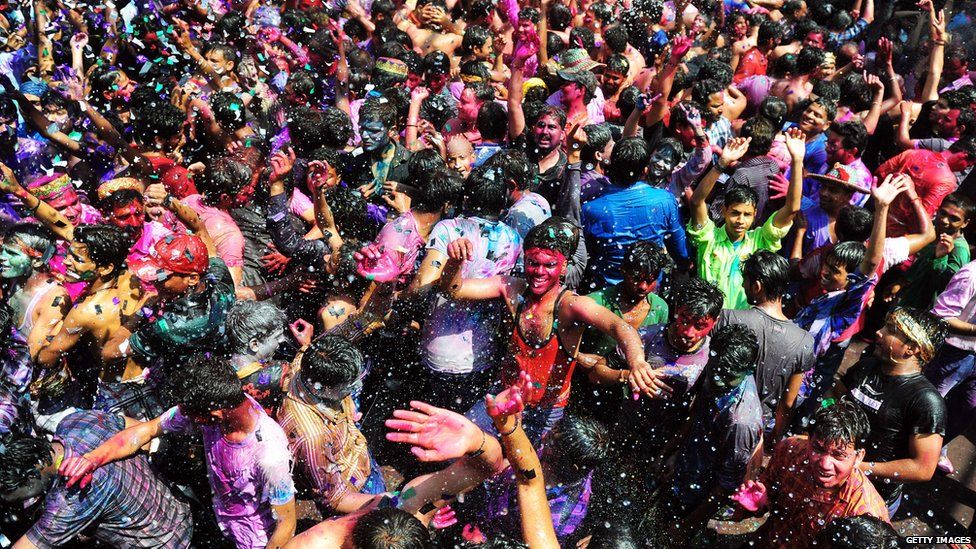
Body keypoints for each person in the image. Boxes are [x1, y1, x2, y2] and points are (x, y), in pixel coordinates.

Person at [445, 217, 661, 442]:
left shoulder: (571, 306)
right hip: (503, 395)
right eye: (533, 263)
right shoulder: (510, 288)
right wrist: (454, 262)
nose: (539, 272)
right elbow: (454, 290)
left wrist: (637, 362)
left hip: (544, 414)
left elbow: (620, 327)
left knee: (519, 473)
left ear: (564, 266)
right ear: (525, 259)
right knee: (459, 441)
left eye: (549, 265)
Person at [59, 355, 298, 549]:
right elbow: (148, 430)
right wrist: (93, 458)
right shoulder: (219, 402)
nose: (186, 418)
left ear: (215, 414)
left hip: (255, 540)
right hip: (220, 518)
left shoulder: (269, 454)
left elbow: (287, 523)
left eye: (192, 415)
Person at [0, 411, 193, 548]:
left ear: (31, 477)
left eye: (13, 496)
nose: (14, 502)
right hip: (179, 508)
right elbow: (139, 430)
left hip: (163, 542)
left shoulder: (69, 500)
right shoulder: (75, 422)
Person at [649, 323, 763, 544]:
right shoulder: (721, 368)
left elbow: (725, 486)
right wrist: (669, 453)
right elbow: (697, 415)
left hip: (699, 496)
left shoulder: (741, 421)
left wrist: (686, 525)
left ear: (749, 370)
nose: (718, 380)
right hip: (684, 470)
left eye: (728, 375)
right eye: (716, 369)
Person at [835, 307, 948, 516]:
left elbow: (923, 468)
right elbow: (833, 399)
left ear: (912, 348)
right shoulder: (866, 367)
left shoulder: (926, 401)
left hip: (869, 498)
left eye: (891, 329)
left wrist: (859, 467)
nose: (879, 332)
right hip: (831, 476)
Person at [732, 400, 890, 546]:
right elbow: (767, 493)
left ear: (858, 457)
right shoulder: (790, 450)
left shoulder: (863, 513)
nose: (824, 464)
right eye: (818, 449)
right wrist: (758, 504)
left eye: (839, 455)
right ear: (808, 441)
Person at [688, 129, 805, 310]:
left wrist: (797, 160)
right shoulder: (709, 237)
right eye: (735, 213)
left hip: (742, 324)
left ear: (755, 214)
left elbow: (792, 208)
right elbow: (697, 201)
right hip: (706, 321)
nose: (740, 220)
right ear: (724, 210)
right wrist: (722, 164)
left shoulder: (760, 240)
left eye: (747, 214)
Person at [278, 333, 387, 515]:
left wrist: (305, 342)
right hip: (354, 490)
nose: (357, 387)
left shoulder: (305, 365)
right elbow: (333, 498)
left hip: (355, 455)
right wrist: (384, 502)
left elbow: (307, 350)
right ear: (323, 389)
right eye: (350, 387)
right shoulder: (313, 438)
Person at [719, 250, 815, 441]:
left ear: (757, 286)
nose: (743, 286)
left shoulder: (728, 319)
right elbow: (788, 403)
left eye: (745, 281)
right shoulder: (804, 341)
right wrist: (774, 438)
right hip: (756, 429)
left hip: (719, 417)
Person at [581, 136, 690, 290]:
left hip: (605, 293)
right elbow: (682, 254)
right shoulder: (665, 201)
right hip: (648, 291)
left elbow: (586, 253)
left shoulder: (591, 209)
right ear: (645, 166)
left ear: (612, 163)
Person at [890, 193, 973, 311]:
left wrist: (941, 258)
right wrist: (901, 283)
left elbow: (948, 286)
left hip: (919, 310)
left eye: (954, 219)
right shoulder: (933, 230)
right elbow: (920, 264)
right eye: (943, 213)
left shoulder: (959, 249)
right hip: (905, 297)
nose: (944, 220)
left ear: (965, 223)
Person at [225, 300, 291, 414]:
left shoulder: (220, 371)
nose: (283, 340)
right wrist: (306, 346)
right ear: (254, 344)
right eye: (277, 337)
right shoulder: (278, 374)